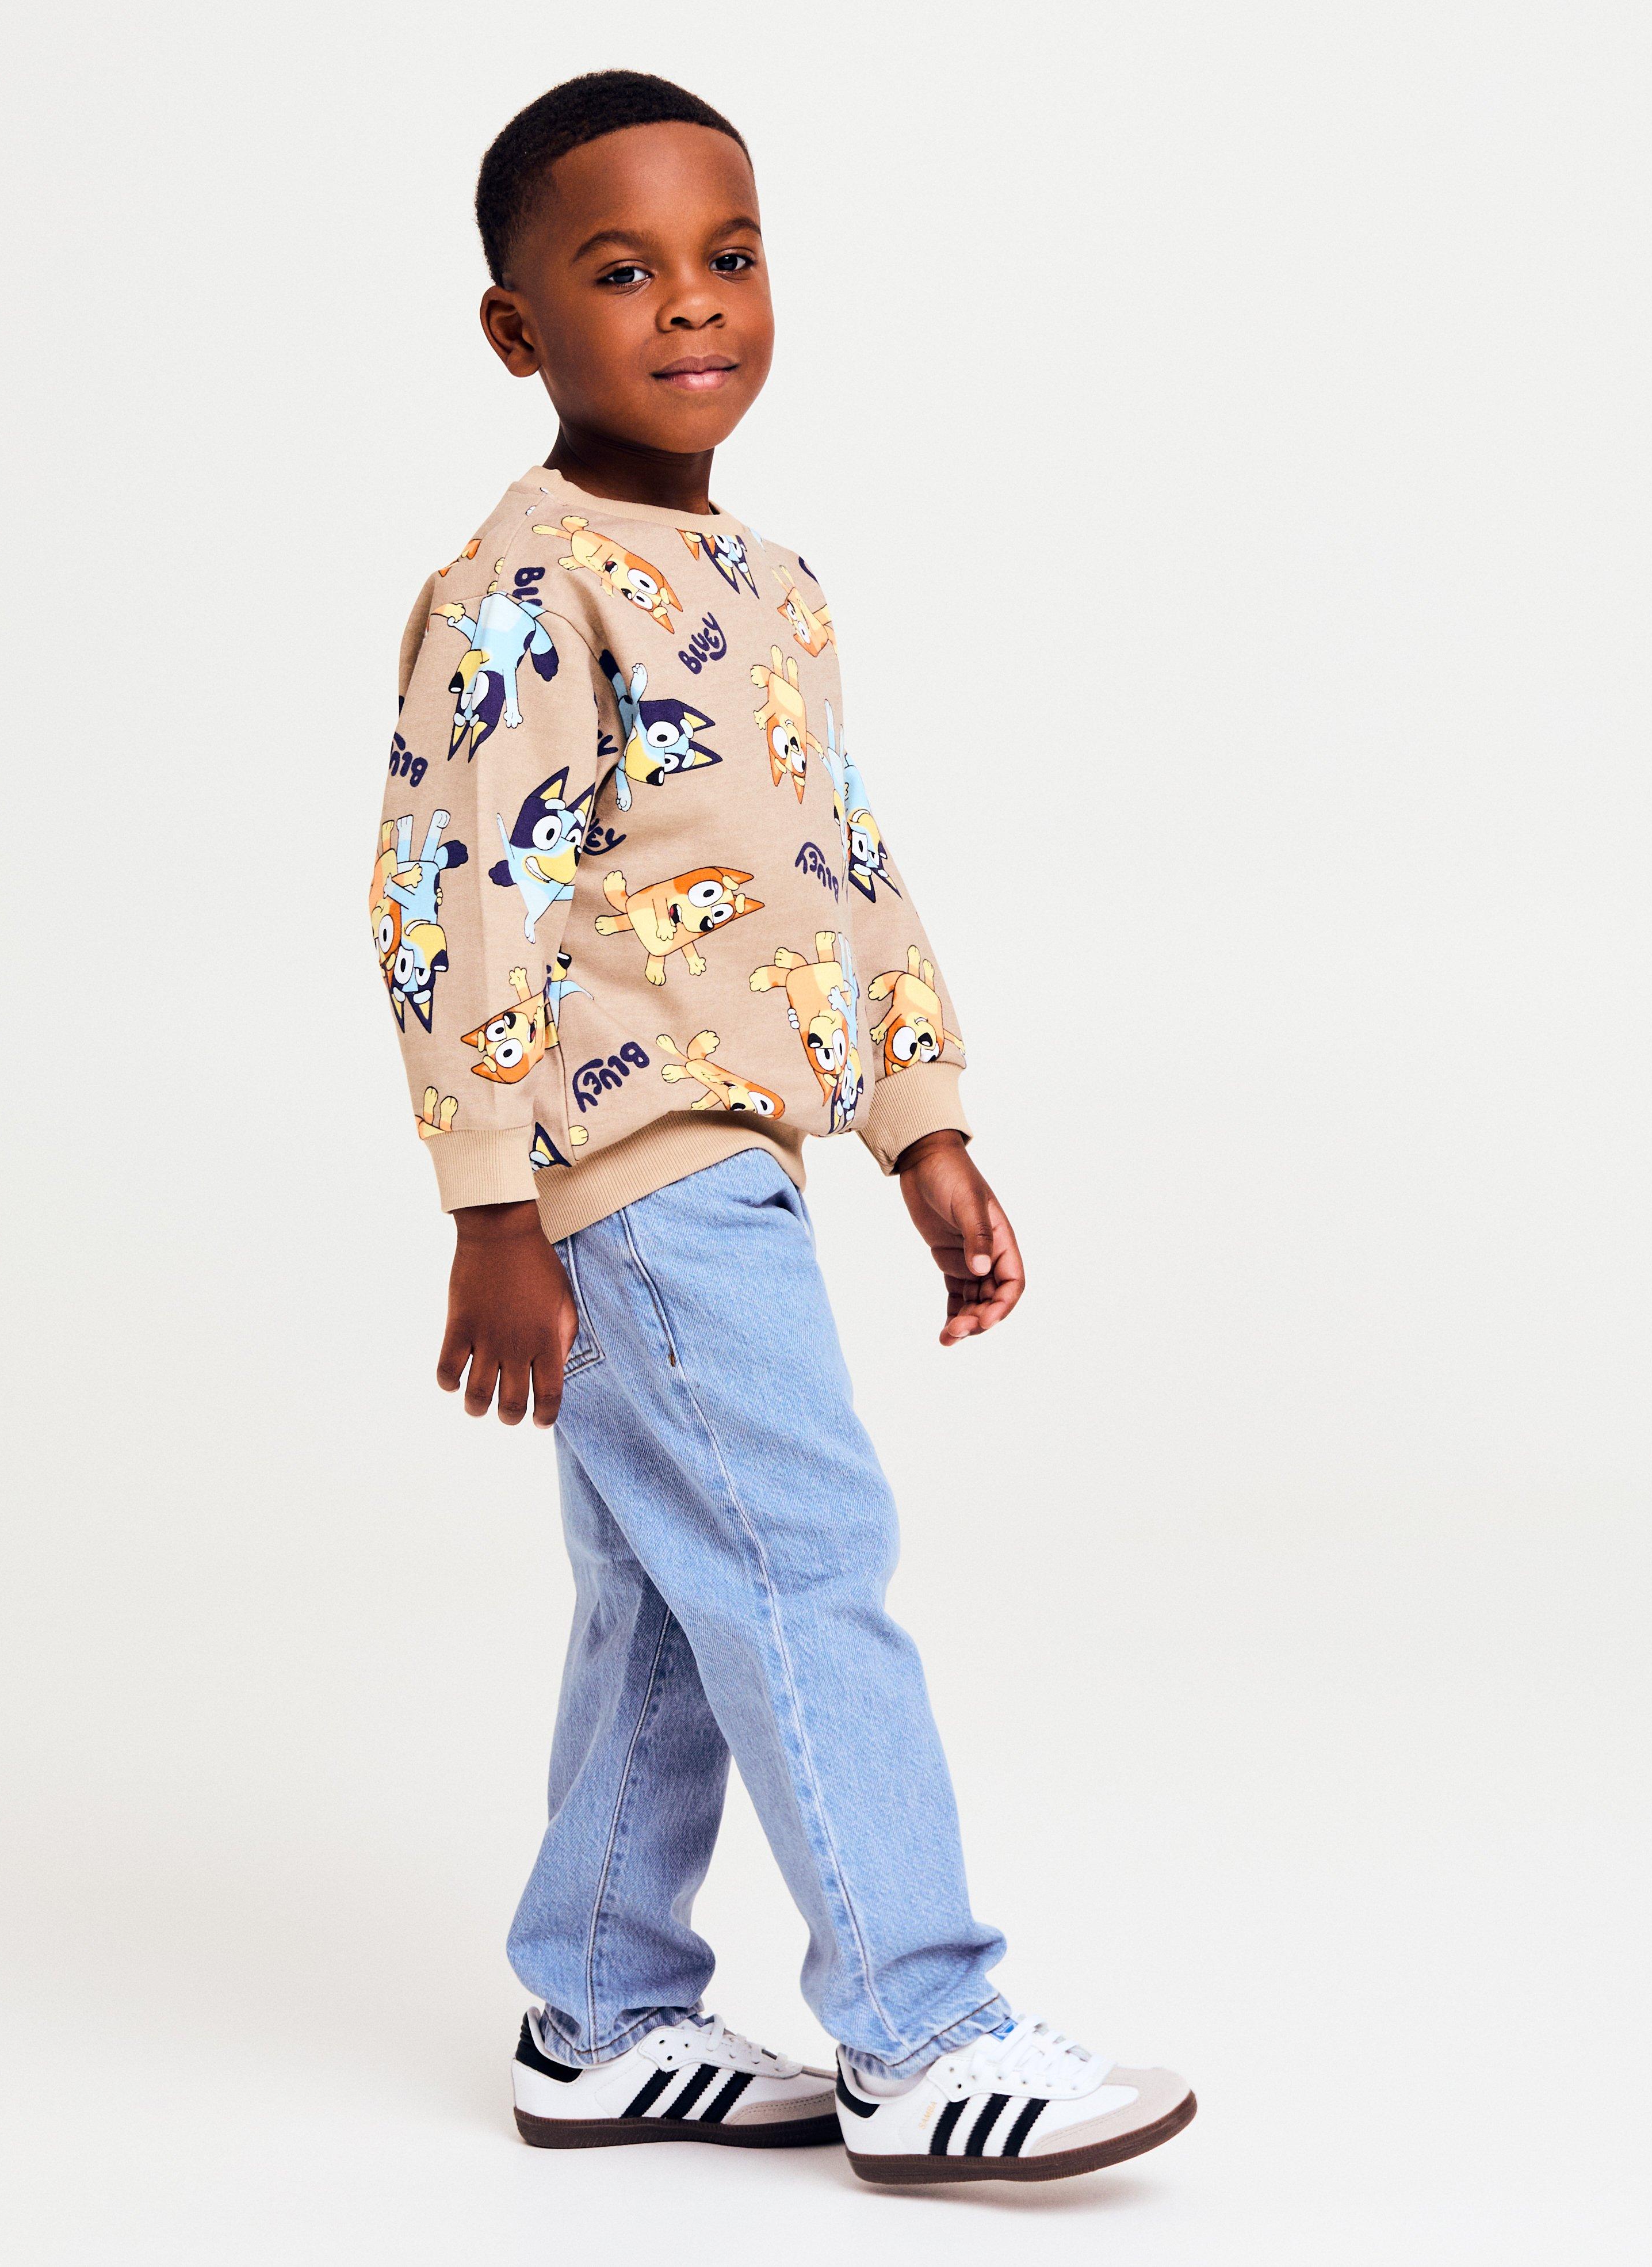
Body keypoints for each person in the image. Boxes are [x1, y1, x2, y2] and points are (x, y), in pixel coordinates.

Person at [371, 69, 1196, 2186]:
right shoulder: (522, 586)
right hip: (627, 1175)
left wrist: (923, 1128)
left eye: (726, 257)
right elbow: (458, 896)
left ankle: (599, 2009)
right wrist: (491, 1208)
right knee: (804, 1553)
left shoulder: (766, 576)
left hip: (747, 1155)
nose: (689, 303)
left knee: (672, 1584)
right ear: (516, 328)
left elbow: (838, 864)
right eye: (620, 269)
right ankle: (924, 2027)